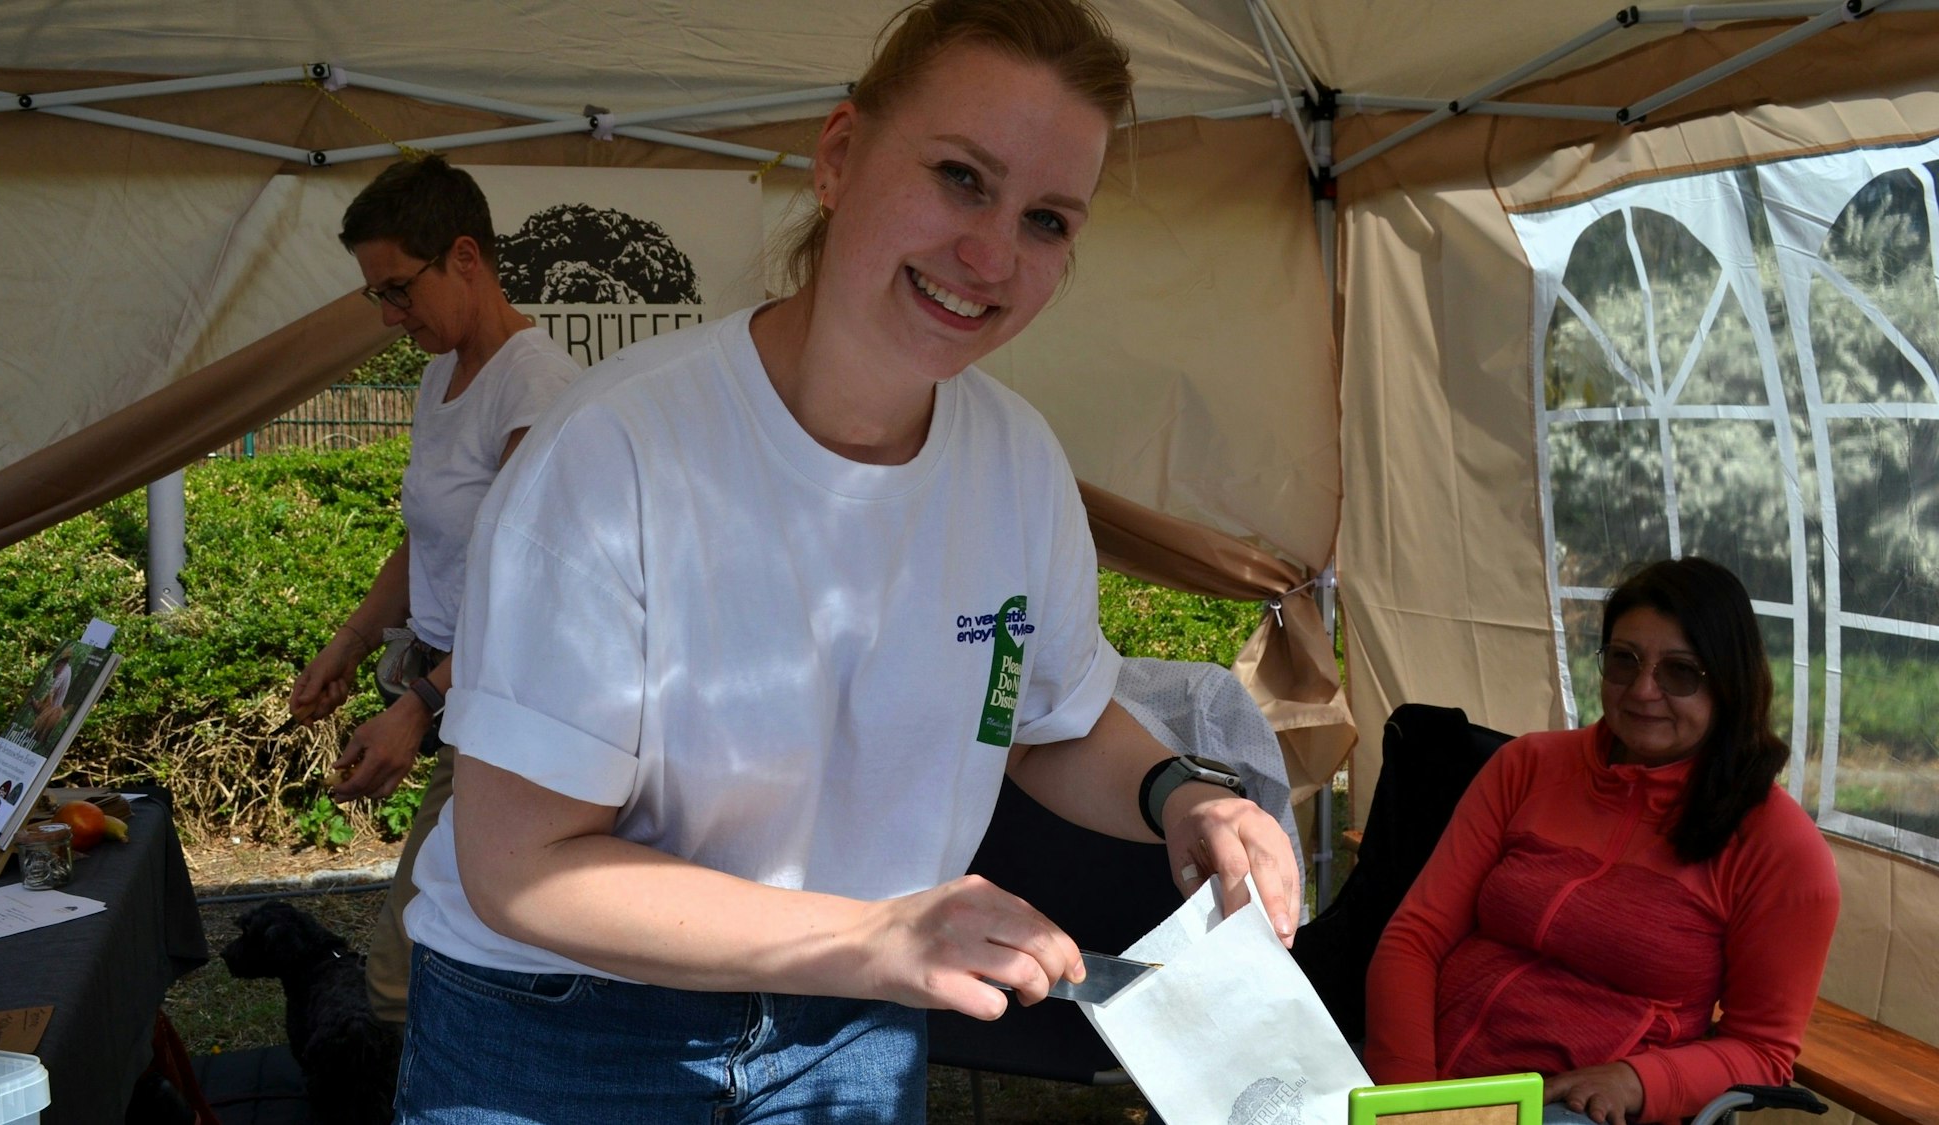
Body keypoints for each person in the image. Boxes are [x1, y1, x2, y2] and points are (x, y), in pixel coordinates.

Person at [393, 1, 1302, 1120]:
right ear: (837, 157)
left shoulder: (1017, 465)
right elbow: (519, 866)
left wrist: (1180, 794)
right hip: (563, 1028)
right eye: (960, 178)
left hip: (852, 1020)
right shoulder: (617, 452)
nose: (990, 255)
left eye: (1046, 220)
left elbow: (1042, 719)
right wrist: (873, 936)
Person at [1365, 557, 1840, 1125]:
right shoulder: (1527, 766)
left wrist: (1635, 1080)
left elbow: (1763, 1051)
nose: (1643, 690)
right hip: (1428, 1077)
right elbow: (1415, 937)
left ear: (1730, 683)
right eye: (1624, 660)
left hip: (1574, 1106)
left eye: (1680, 672)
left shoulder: (1779, 848)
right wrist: (1408, 1099)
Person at [285, 155, 581, 1024]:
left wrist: (419, 705)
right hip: (466, 705)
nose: (390, 315)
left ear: (465, 257)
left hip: (513, 717)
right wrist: (349, 641)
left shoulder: (537, 389)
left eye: (399, 289)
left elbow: (531, 595)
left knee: (399, 977)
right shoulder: (438, 374)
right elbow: (427, 540)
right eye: (376, 294)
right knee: (440, 963)